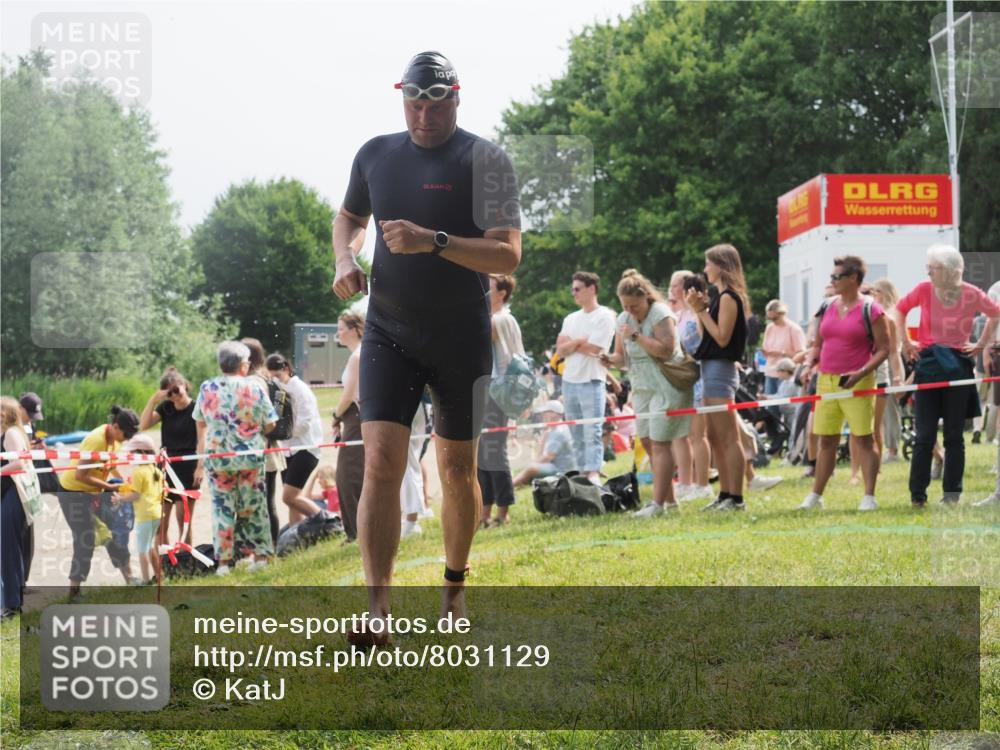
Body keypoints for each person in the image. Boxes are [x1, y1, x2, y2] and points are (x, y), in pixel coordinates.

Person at [331, 50, 521, 637]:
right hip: (388, 330)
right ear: (403, 98)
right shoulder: (376, 154)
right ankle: (377, 611)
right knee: (382, 462)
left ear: (456, 98)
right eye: (413, 103)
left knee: (457, 468)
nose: (422, 116)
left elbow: (507, 253)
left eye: (434, 105)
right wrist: (345, 255)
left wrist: (432, 240)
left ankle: (454, 591)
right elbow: (348, 218)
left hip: (460, 332)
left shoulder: (485, 159)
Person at [893, 244, 1000, 507]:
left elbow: (996, 313)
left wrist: (981, 344)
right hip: (929, 363)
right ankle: (918, 495)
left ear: (951, 271)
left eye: (933, 267)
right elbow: (899, 309)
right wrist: (906, 343)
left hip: (958, 365)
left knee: (954, 436)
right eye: (928, 267)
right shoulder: (924, 289)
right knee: (924, 434)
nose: (928, 272)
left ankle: (952, 495)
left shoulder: (971, 293)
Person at [798, 257, 890, 511]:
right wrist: (809, 366)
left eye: (836, 277)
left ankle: (869, 496)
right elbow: (818, 344)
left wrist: (860, 373)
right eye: (832, 277)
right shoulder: (827, 306)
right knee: (825, 439)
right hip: (826, 381)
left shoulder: (871, 309)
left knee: (864, 439)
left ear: (853, 279)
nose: (832, 281)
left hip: (858, 382)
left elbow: (884, 349)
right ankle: (815, 496)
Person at [601, 269, 692, 516]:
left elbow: (666, 349)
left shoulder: (661, 314)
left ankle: (657, 505)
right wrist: (610, 359)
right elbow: (622, 357)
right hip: (641, 387)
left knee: (661, 443)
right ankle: (670, 501)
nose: (630, 311)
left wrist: (638, 336)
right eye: (625, 306)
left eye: (634, 305)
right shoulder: (623, 320)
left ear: (646, 297)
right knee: (648, 442)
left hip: (667, 384)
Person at [193, 341, 278, 575]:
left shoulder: (207, 388)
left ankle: (223, 564)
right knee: (254, 506)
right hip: (250, 457)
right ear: (243, 365)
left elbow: (200, 420)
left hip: (218, 457)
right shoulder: (254, 387)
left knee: (222, 509)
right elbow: (271, 423)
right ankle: (260, 556)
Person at [685, 244, 751, 511]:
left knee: (727, 436)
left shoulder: (729, 298)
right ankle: (725, 493)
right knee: (713, 435)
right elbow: (707, 337)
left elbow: (722, 338)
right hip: (710, 367)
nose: (705, 269)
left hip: (720, 370)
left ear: (721, 265)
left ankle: (736, 497)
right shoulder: (720, 296)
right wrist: (699, 309)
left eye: (708, 263)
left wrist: (701, 311)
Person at [57, 405, 141, 598]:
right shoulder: (97, 440)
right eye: (126, 434)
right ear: (116, 426)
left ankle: (130, 578)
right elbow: (80, 475)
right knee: (85, 540)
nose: (126, 439)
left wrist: (122, 480)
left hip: (94, 492)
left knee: (116, 532)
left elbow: (110, 466)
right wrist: (110, 487)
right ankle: (74, 592)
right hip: (73, 493)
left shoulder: (116, 441)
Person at [556, 271, 616, 484]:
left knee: (592, 429)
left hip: (592, 379)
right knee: (576, 430)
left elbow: (597, 349)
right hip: (569, 380)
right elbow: (560, 350)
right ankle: (582, 471)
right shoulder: (570, 318)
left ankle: (593, 471)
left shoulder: (606, 315)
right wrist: (577, 343)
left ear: (592, 289)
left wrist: (572, 344)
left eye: (578, 289)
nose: (574, 293)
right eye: (572, 289)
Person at [479, 273, 525, 528]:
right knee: (481, 454)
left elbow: (482, 333)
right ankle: (484, 513)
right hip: (484, 391)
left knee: (495, 452)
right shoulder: (494, 318)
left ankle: (502, 512)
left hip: (499, 393)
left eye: (489, 286)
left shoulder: (502, 319)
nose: (484, 290)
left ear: (502, 293)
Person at [139, 368, 198, 546]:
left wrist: (201, 467)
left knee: (183, 521)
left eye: (176, 390)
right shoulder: (166, 408)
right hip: (166, 465)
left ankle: (186, 560)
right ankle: (165, 563)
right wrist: (153, 400)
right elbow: (144, 425)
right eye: (169, 393)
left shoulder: (196, 408)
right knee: (161, 522)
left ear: (184, 385)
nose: (174, 395)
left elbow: (204, 438)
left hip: (188, 464)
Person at [266, 353, 326, 524]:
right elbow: (276, 417)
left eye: (277, 375)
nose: (275, 380)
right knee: (292, 501)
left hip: (306, 447)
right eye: (271, 377)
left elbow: (305, 423)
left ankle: (329, 521)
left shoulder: (300, 389)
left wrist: (282, 432)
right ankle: (297, 538)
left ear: (286, 369)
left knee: (289, 497)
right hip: (287, 450)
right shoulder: (279, 390)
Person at [243, 338, 286, 548]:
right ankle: (269, 547)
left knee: (265, 502)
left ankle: (269, 547)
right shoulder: (263, 377)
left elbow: (263, 416)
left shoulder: (254, 381)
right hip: (268, 447)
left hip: (262, 448)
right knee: (266, 500)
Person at [111, 434, 163, 584]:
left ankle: (146, 580)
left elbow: (135, 495)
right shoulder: (156, 471)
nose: (130, 456)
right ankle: (160, 577)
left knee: (142, 550)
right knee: (150, 547)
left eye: (133, 453)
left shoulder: (139, 472)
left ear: (143, 453)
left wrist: (120, 498)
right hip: (157, 513)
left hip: (145, 516)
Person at [332, 311, 365, 542]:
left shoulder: (357, 357)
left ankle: (354, 532)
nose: (338, 333)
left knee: (347, 476)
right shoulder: (361, 353)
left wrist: (335, 414)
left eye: (341, 328)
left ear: (354, 329)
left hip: (355, 417)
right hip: (356, 416)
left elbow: (348, 395)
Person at [1, 397, 32, 618]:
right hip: (13, 495)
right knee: (13, 549)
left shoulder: (11, 433)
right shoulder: (14, 432)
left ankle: (12, 605)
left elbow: (19, 463)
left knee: (9, 549)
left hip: (14, 495)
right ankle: (15, 601)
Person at [512, 401, 576, 487]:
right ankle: (519, 482)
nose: (542, 415)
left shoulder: (558, 432)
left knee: (531, 468)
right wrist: (544, 439)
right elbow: (542, 455)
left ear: (555, 414)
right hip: (557, 466)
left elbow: (548, 457)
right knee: (532, 467)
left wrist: (532, 464)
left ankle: (509, 485)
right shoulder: (555, 429)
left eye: (545, 412)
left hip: (562, 471)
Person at [761, 300, 806, 396]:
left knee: (785, 406)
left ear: (783, 314)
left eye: (775, 318)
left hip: (787, 375)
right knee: (769, 407)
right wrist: (765, 352)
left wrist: (781, 353)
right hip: (770, 371)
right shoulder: (769, 328)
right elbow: (766, 348)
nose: (772, 321)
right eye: (769, 318)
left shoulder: (794, 329)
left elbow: (802, 353)